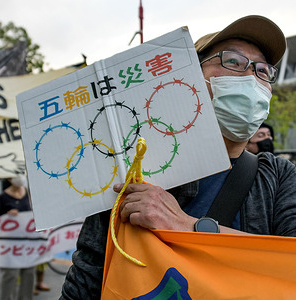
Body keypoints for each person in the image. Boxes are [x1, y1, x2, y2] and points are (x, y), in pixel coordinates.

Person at [60, 15, 296, 299]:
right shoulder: (133, 169)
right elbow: (86, 282)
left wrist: (189, 227)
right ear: (189, 77)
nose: (250, 77)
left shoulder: (280, 176)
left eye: (262, 70)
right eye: (233, 61)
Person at [0, 175, 35, 300]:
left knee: (29, 273)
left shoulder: (29, 192)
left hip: (29, 242)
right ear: (9, 178)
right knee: (10, 275)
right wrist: (7, 215)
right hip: (11, 244)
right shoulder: (2, 197)